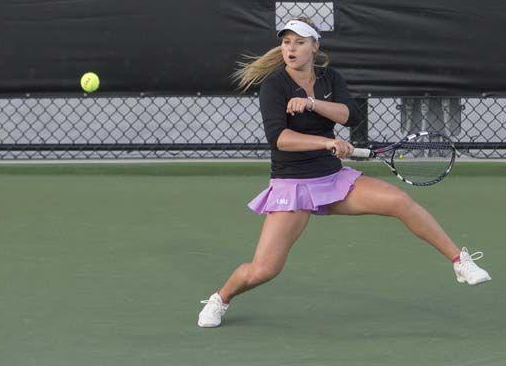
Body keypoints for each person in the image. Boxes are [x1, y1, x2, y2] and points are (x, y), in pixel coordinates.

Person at [198, 17, 491, 328]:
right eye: (286, 42)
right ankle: (221, 298)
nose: (291, 48)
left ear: (315, 47)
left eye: (299, 42)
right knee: (264, 270)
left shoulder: (330, 79)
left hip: (333, 180)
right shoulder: (274, 85)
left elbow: (349, 115)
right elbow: (280, 139)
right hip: (293, 185)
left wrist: (311, 104)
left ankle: (460, 262)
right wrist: (327, 142)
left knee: (400, 201)